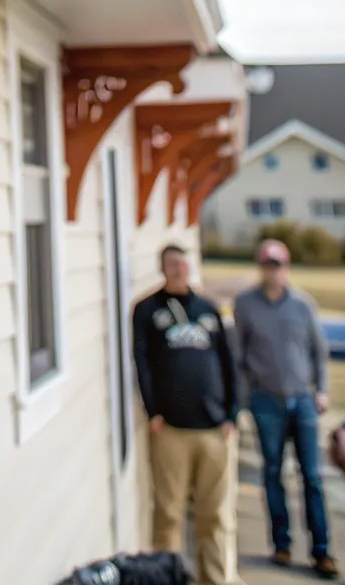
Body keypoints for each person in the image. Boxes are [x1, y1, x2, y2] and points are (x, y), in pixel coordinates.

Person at [132, 242, 238, 585]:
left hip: (213, 428)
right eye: (172, 264)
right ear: (162, 269)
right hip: (171, 429)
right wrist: (153, 412)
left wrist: (232, 413)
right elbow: (142, 363)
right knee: (168, 513)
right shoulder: (147, 310)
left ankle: (214, 578)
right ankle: (167, 577)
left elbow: (227, 360)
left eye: (182, 263)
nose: (178, 269)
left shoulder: (207, 308)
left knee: (214, 514)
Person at [235, 238, 338, 577]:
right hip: (266, 401)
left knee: (311, 476)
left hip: (303, 400)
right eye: (267, 265)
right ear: (260, 267)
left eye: (277, 265)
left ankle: (321, 551)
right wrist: (245, 400)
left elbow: (318, 352)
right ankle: (281, 545)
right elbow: (239, 356)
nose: (272, 271)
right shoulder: (246, 305)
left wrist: (321, 391)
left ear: (286, 267)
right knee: (273, 473)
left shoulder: (302, 304)